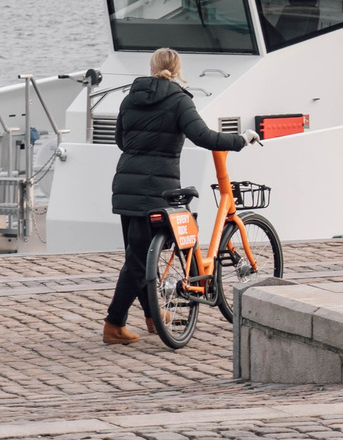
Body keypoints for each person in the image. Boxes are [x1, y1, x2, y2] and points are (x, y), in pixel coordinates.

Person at [102, 46, 254, 345]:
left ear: (151, 68)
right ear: (177, 70)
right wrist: (240, 140)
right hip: (157, 188)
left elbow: (121, 140)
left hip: (125, 185)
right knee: (138, 262)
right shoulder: (179, 100)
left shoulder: (130, 98)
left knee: (138, 256)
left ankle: (152, 317)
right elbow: (204, 137)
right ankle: (114, 324)